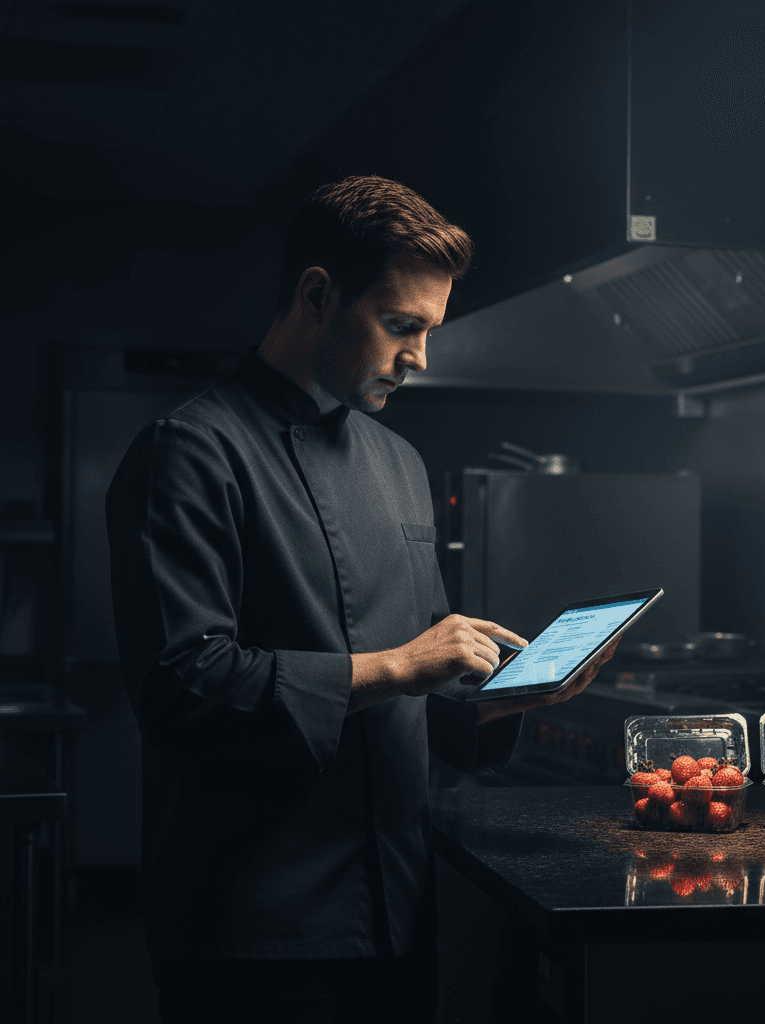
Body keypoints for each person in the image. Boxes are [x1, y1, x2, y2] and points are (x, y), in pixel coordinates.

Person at [105, 175, 617, 1023]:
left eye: (430, 331)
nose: (420, 357)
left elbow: (419, 697)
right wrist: (399, 663)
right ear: (317, 294)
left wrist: (506, 698)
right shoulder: (190, 452)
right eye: (402, 325)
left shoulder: (399, 463)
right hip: (255, 931)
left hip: (400, 910)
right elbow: (182, 686)